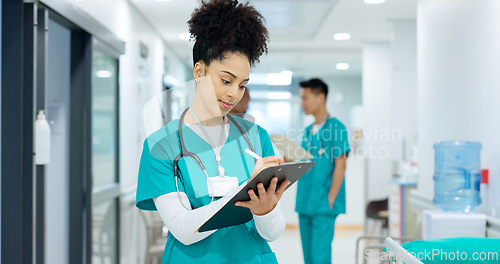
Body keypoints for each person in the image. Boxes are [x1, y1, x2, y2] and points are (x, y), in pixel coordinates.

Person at [135, 1, 290, 263]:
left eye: (242, 85)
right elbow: (183, 229)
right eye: (226, 80)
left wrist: (265, 211)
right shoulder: (161, 146)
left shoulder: (256, 136)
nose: (234, 94)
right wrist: (243, 191)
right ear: (199, 71)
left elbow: (272, 232)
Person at [295, 78, 350, 264]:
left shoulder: (336, 127)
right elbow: (304, 160)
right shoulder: (308, 130)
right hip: (305, 202)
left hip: (323, 204)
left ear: (321, 97)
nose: (302, 103)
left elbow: (341, 164)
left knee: (320, 258)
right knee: (308, 258)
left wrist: (331, 198)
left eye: (305, 98)